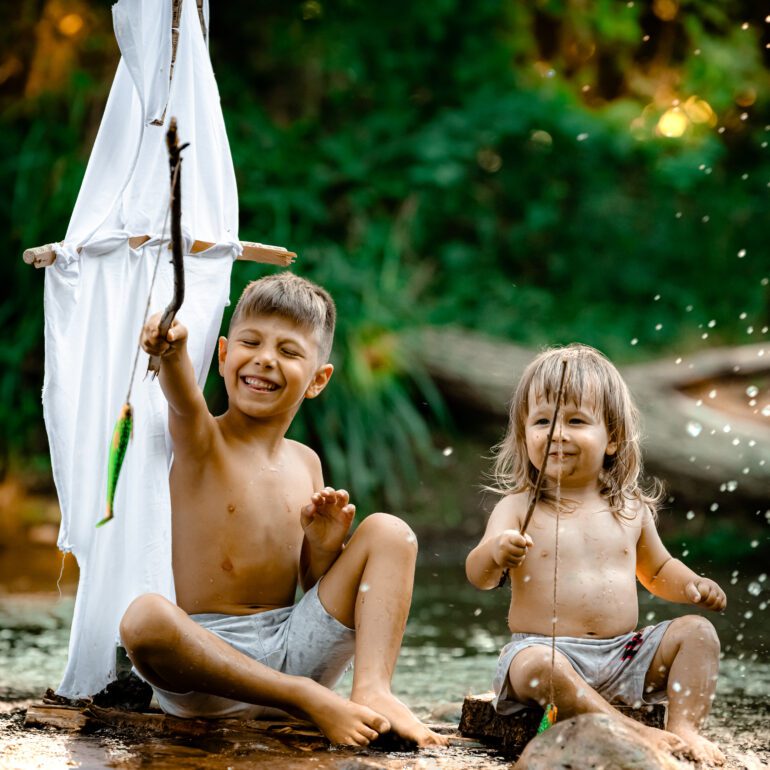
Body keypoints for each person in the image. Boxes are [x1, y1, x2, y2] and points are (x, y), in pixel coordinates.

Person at [119, 272, 445, 747]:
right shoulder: (201, 440)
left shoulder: (306, 461)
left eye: (289, 352)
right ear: (225, 355)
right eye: (251, 342)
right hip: (208, 670)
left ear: (318, 380)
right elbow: (182, 396)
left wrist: (324, 544)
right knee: (144, 619)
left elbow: (315, 589)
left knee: (390, 532)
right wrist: (171, 349)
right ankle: (304, 699)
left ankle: (373, 689)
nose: (266, 360)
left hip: (294, 644)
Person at [465, 343, 726, 765]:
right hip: (547, 652)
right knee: (538, 665)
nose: (557, 434)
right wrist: (497, 551)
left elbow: (657, 570)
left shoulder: (630, 509)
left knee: (697, 633)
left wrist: (693, 585)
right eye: (543, 421)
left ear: (613, 439)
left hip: (624, 654)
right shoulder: (515, 507)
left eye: (576, 421)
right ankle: (625, 728)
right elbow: (479, 575)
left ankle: (684, 728)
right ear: (524, 435)